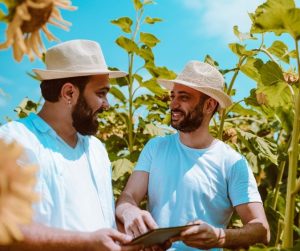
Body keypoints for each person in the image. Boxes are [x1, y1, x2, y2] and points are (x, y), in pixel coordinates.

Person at [0, 40, 141, 251]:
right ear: (69, 93)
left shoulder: (96, 150)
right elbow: (6, 228)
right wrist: (85, 243)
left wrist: (133, 237)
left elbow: (99, 226)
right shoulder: (14, 141)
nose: (107, 104)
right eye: (101, 93)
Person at [116, 61, 270, 250]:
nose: (173, 104)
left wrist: (220, 237)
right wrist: (130, 211)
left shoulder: (232, 162)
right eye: (173, 96)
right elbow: (128, 196)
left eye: (184, 97)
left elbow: (261, 230)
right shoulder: (155, 147)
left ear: (209, 105)